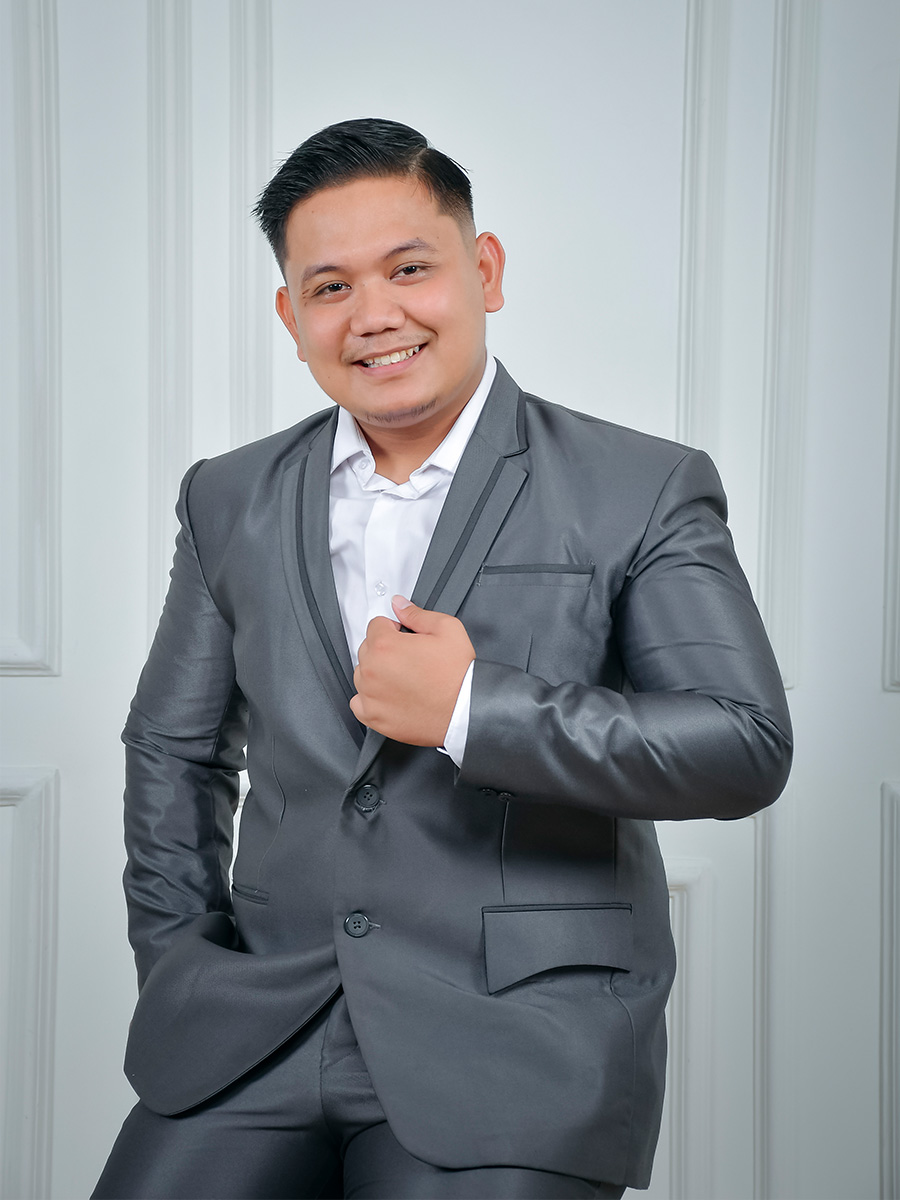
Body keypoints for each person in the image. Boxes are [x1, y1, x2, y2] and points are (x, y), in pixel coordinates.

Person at [93, 118, 792, 1200]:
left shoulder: (639, 485)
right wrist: (182, 962)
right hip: (255, 1028)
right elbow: (171, 752)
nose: (374, 314)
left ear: (486, 270)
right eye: (330, 287)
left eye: (409, 268)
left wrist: (474, 708)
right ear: (290, 316)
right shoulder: (227, 494)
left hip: (514, 1038)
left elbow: (742, 744)